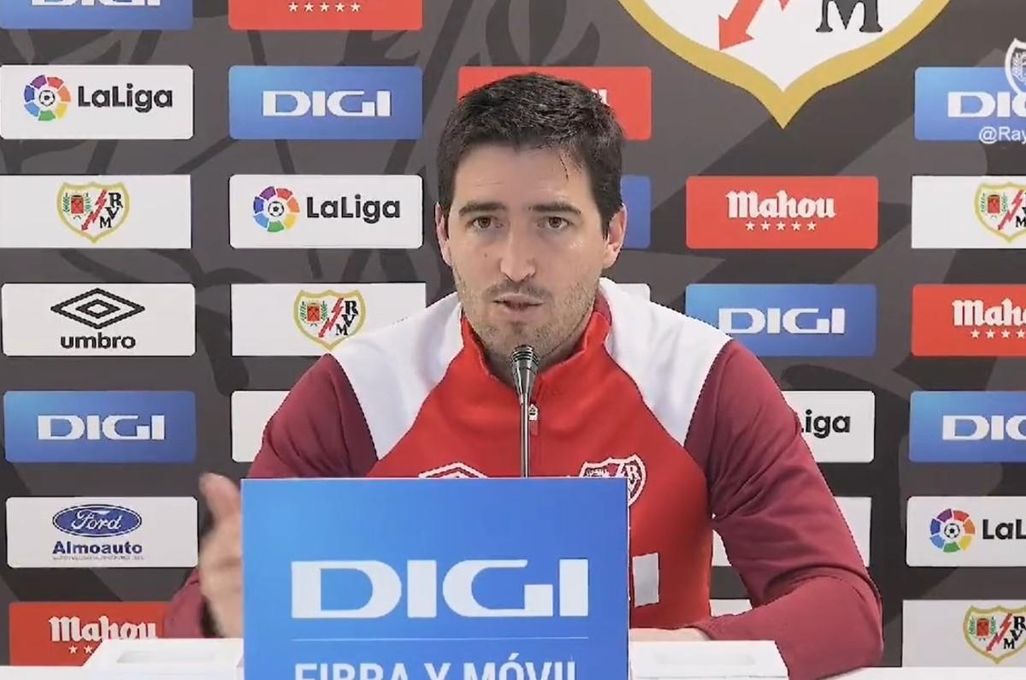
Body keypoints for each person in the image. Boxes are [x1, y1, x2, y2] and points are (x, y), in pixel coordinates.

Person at [163, 72, 883, 680]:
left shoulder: (703, 378)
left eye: (553, 222)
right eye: (484, 222)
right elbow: (193, 625)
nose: (515, 264)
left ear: (612, 234)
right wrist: (223, 617)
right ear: (444, 233)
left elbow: (842, 608)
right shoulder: (356, 391)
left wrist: (670, 656)